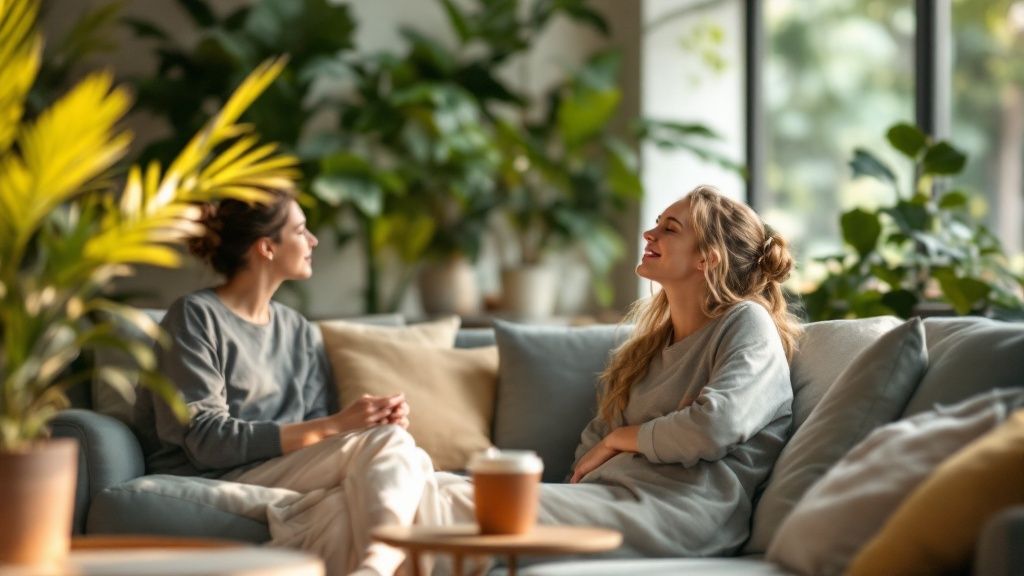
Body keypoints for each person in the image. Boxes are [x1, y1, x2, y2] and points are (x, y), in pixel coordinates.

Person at [429, 184, 802, 560]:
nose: (649, 234)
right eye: (656, 224)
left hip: (678, 511)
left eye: (670, 229)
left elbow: (713, 427)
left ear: (708, 259)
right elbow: (596, 442)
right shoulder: (648, 348)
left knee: (448, 505)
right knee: (425, 482)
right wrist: (632, 443)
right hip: (606, 497)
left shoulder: (747, 322)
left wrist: (622, 439)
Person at [133, 189, 430, 576]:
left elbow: (320, 433)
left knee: (362, 497)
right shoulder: (194, 317)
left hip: (288, 469)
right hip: (213, 472)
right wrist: (342, 426)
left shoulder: (297, 329)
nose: (313, 241)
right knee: (396, 450)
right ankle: (376, 569)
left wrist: (362, 426)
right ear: (267, 248)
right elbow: (206, 442)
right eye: (302, 230)